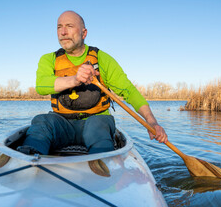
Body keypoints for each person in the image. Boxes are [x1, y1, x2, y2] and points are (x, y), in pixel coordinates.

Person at [18, 10, 168, 155]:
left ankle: (101, 165)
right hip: (62, 125)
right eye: (59, 27)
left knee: (96, 125)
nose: (63, 32)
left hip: (97, 124)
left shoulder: (102, 58)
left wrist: (152, 122)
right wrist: (75, 79)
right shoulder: (48, 59)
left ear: (84, 33)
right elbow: (41, 86)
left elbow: (129, 91)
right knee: (41, 121)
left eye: (69, 26)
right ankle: (29, 162)